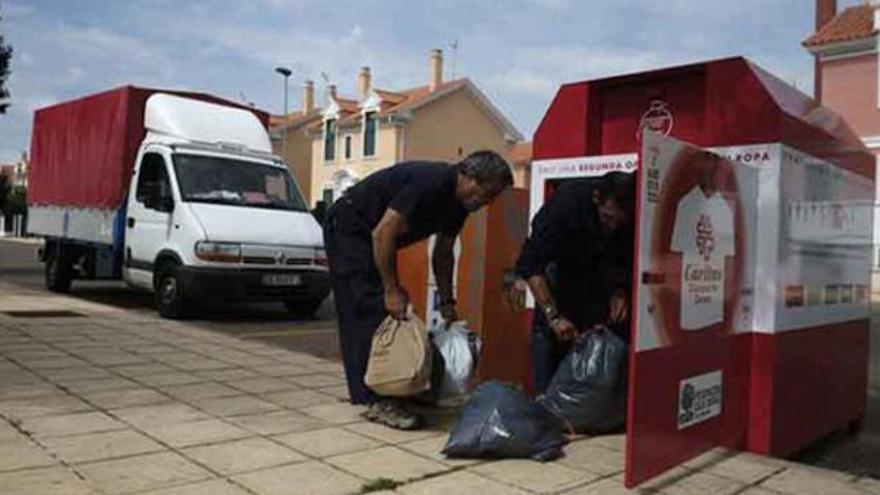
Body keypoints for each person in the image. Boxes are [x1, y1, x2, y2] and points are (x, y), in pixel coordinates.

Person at [323, 151, 513, 429]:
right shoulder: (432, 182)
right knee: (368, 307)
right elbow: (383, 233)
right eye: (488, 193)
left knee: (388, 311)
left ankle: (401, 387)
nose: (487, 202)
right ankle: (375, 400)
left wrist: (448, 301)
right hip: (350, 228)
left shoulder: (459, 206)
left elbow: (444, 252)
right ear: (470, 177)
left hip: (372, 236)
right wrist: (391, 289)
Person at [514, 172, 635, 394]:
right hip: (558, 265)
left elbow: (623, 258)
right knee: (547, 331)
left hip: (597, 269)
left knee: (604, 329)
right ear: (596, 198)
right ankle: (546, 402)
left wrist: (620, 290)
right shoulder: (565, 205)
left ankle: (595, 403)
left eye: (619, 222)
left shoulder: (629, 215)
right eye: (607, 218)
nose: (613, 226)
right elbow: (531, 264)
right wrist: (554, 316)